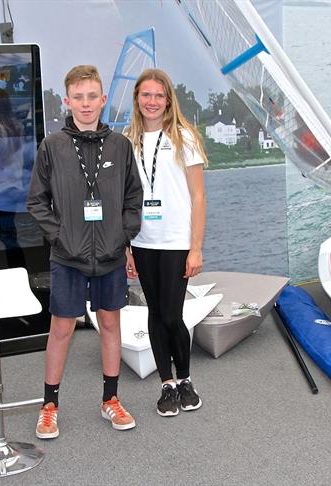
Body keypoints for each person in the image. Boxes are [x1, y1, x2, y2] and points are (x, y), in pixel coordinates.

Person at [27, 65, 143, 439]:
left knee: (110, 323)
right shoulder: (53, 146)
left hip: (109, 255)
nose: (86, 104)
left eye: (92, 96)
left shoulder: (120, 145)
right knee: (60, 329)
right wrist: (59, 237)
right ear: (67, 100)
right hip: (67, 256)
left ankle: (111, 399)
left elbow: (132, 198)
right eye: (78, 97)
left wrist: (122, 237)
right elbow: (37, 201)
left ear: (103, 99)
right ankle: (49, 406)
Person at [123, 68, 208, 417]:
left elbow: (199, 197)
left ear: (168, 99)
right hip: (143, 241)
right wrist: (127, 247)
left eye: (159, 95)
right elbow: (125, 199)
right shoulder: (128, 141)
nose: (152, 101)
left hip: (176, 240)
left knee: (173, 314)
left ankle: (186, 379)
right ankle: (167, 384)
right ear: (137, 100)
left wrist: (196, 246)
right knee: (155, 313)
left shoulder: (185, 138)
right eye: (146, 95)